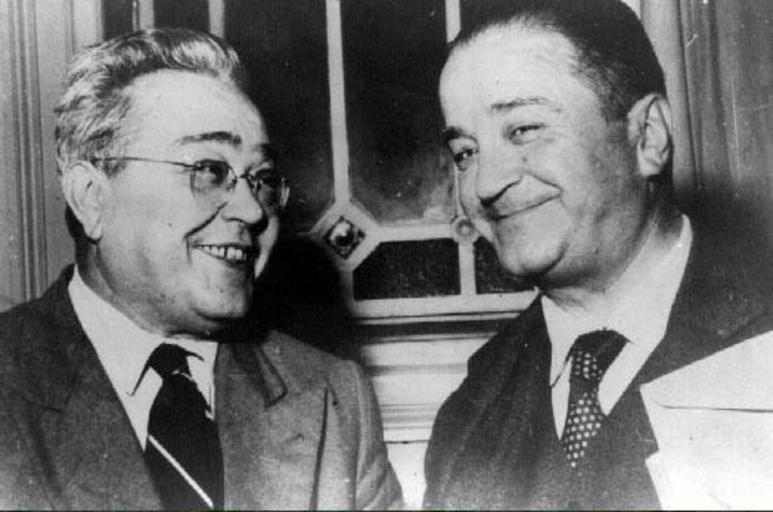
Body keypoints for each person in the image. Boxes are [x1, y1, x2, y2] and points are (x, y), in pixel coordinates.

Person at [0, 28, 401, 510]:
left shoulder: (334, 400)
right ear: (91, 197)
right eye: (209, 171)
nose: (252, 210)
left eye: (262, 178)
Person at [424, 0, 773, 509]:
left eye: (524, 129)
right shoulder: (470, 414)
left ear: (648, 135)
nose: (485, 184)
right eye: (465, 153)